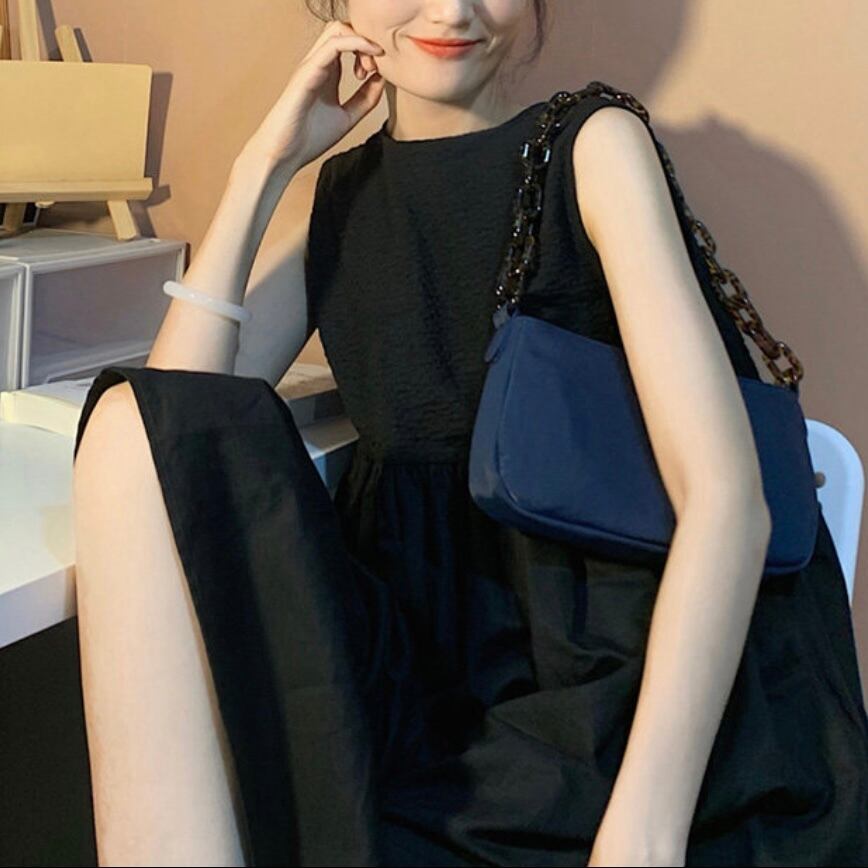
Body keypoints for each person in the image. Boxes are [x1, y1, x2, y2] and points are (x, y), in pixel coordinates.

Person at [71, 1, 868, 866]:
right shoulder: (341, 200)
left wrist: (643, 834)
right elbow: (170, 438)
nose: (453, 9)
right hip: (415, 682)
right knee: (120, 422)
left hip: (604, 693)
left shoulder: (591, 147)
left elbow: (727, 502)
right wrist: (263, 167)